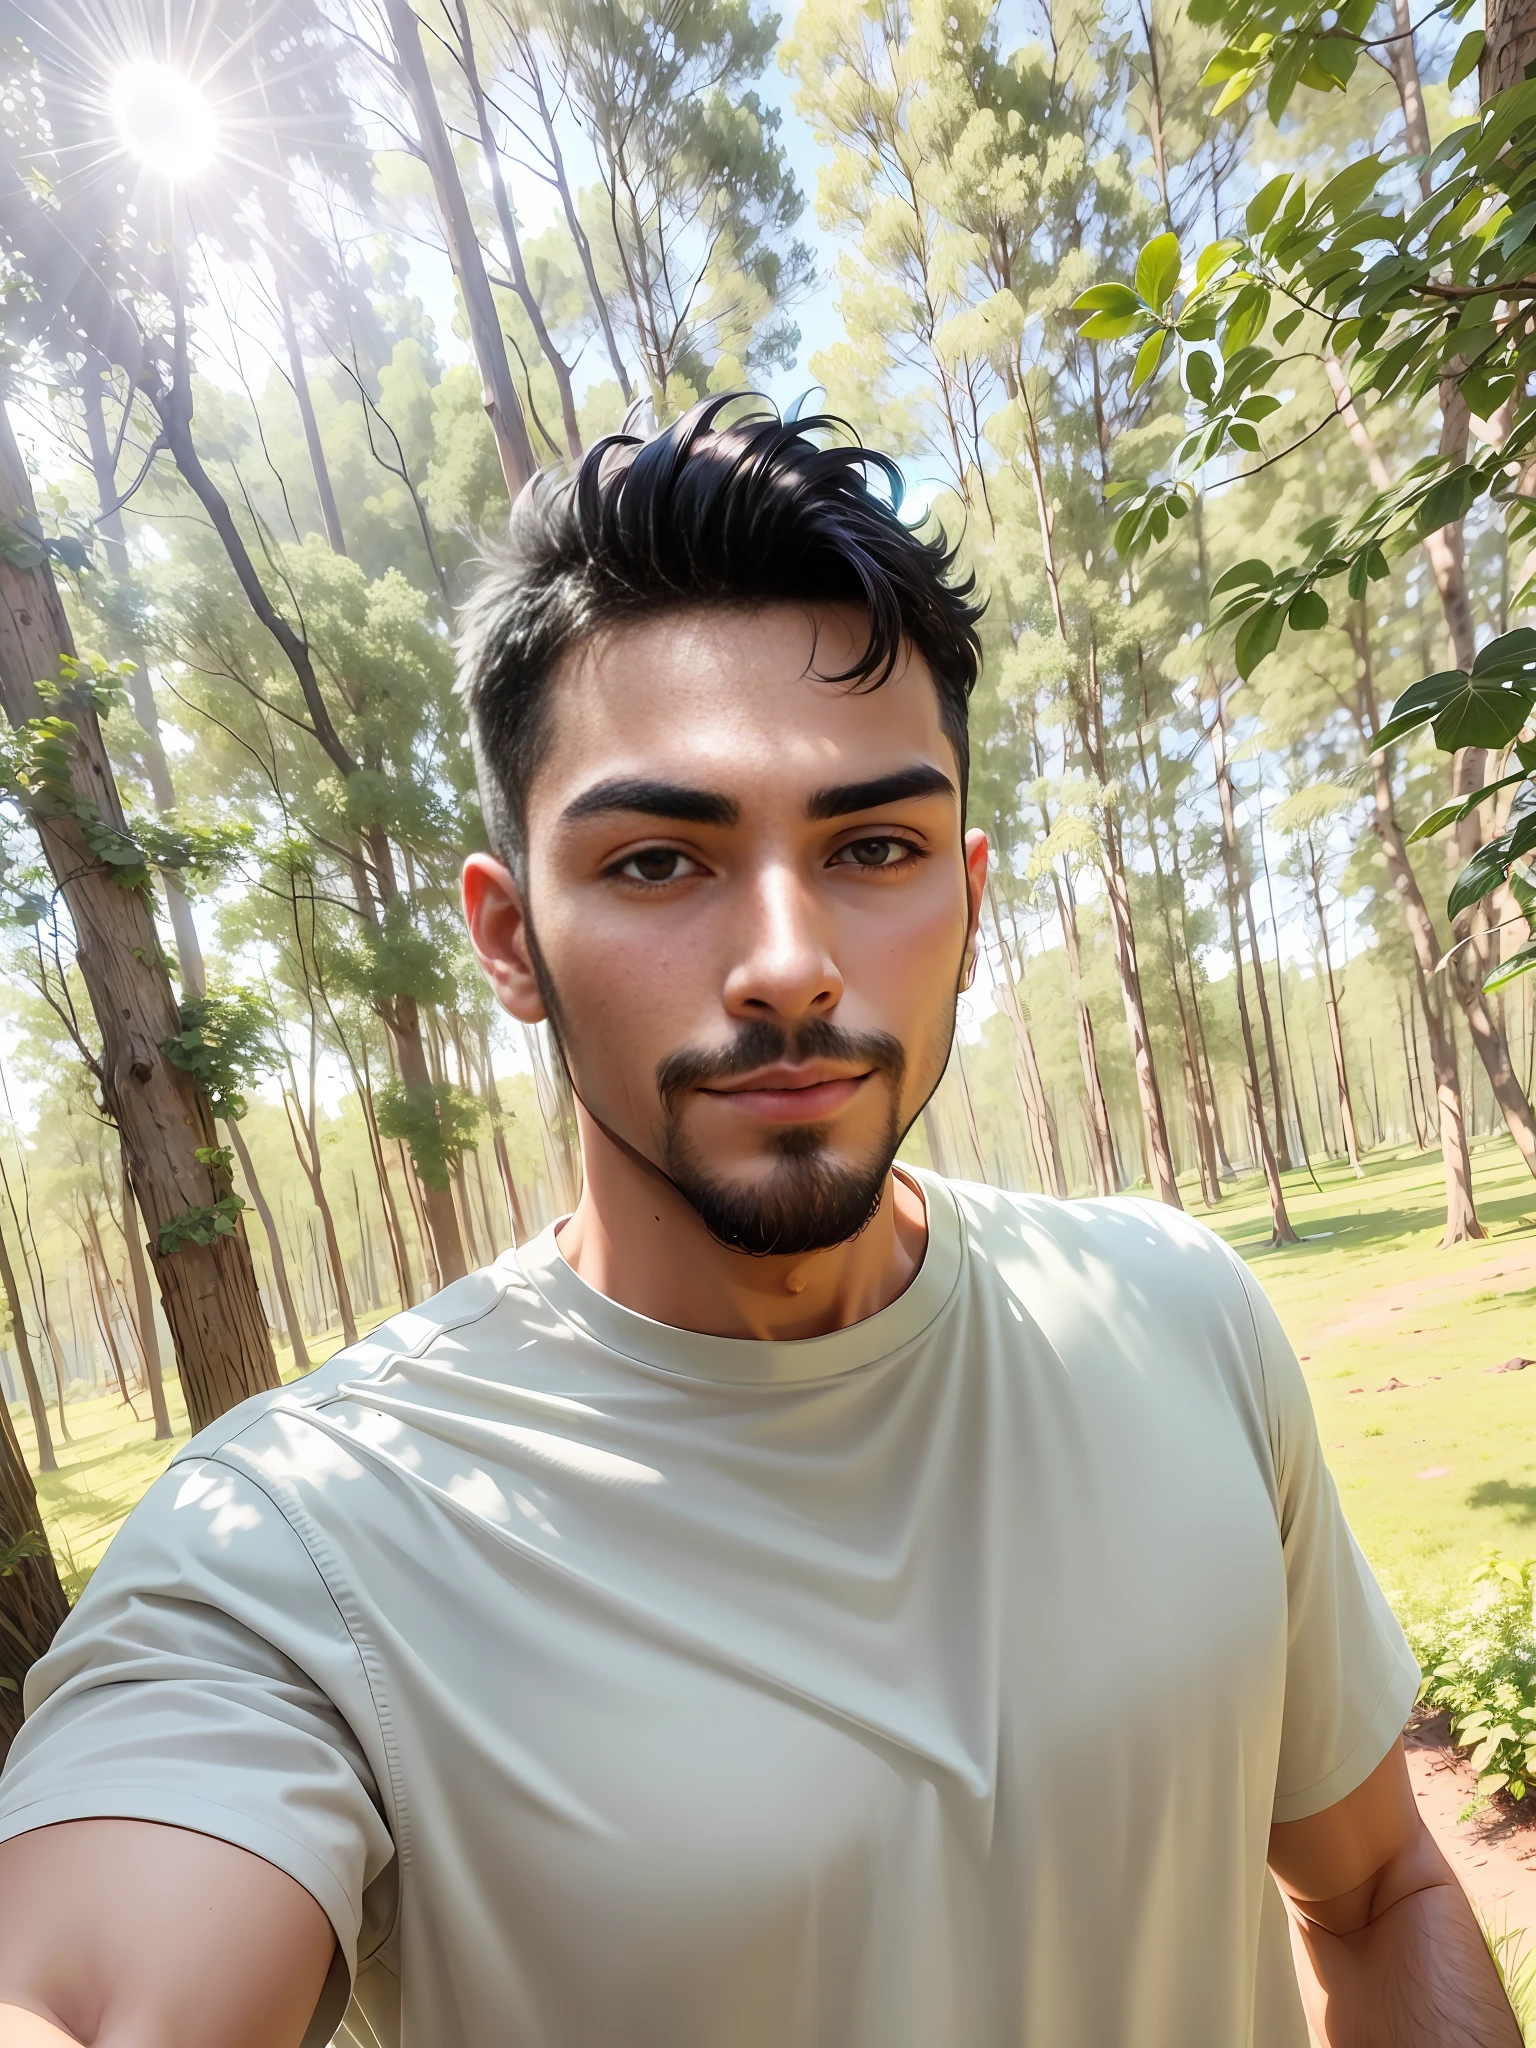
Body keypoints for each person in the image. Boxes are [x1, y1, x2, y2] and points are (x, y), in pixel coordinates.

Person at [0, 398, 1515, 2048]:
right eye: (659, 861)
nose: (790, 959)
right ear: (510, 939)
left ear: (968, 900)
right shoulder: (301, 1555)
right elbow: (93, 1981)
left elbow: (1376, 1894)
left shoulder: (1181, 1311)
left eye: (876, 845)